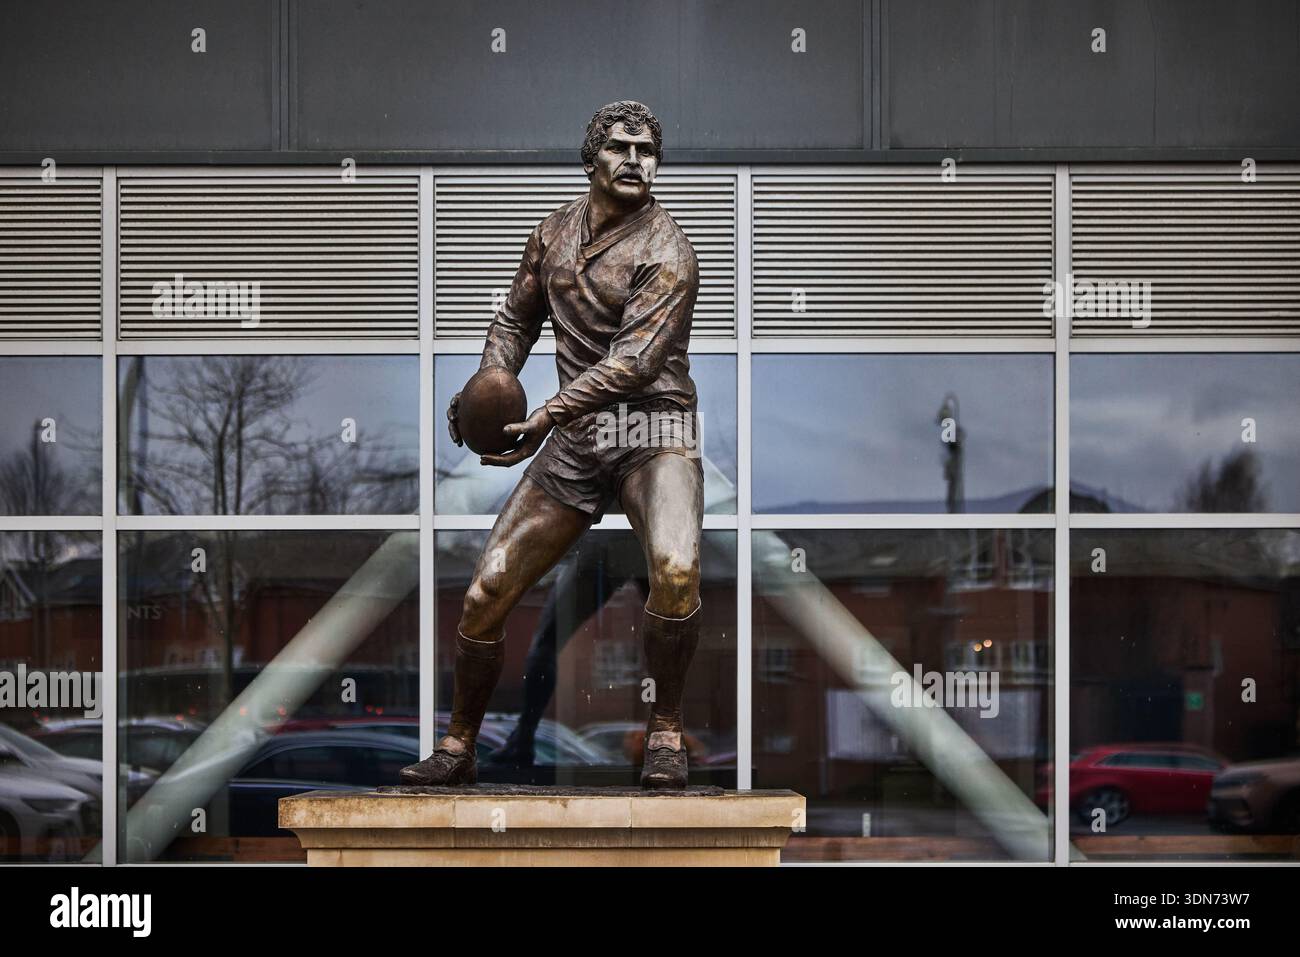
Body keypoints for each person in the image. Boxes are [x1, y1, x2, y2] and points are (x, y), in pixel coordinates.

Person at [399, 100, 704, 789]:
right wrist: (490, 384)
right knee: (484, 591)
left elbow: (635, 364)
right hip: (577, 442)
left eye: (647, 151)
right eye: (621, 147)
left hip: (652, 430)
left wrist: (545, 413)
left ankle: (665, 732)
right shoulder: (552, 232)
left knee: (676, 569)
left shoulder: (669, 250)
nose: (634, 161)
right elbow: (513, 317)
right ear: (591, 156)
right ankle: (458, 745)